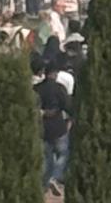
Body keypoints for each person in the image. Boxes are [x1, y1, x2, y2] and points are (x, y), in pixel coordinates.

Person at [38, 62, 73, 195]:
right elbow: (67, 106)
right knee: (63, 153)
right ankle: (54, 176)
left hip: (42, 126)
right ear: (55, 74)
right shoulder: (60, 89)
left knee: (46, 156)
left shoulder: (37, 88)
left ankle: (45, 182)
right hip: (58, 125)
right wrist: (71, 119)